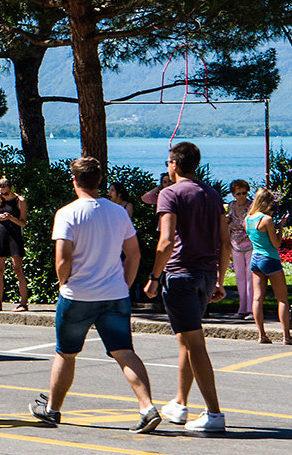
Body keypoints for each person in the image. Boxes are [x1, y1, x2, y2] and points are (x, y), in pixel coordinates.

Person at [30, 156, 161, 434]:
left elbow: (62, 260)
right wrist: (124, 285)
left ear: (74, 180)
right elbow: (133, 254)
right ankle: (147, 406)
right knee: (123, 351)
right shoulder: (118, 212)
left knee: (66, 353)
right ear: (100, 180)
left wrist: (63, 281)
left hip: (78, 293)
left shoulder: (67, 213)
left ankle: (52, 409)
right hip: (113, 292)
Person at [141, 141, 228, 433]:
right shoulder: (213, 195)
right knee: (186, 341)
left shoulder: (170, 194)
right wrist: (219, 279)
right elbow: (225, 241)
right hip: (204, 275)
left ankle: (214, 414)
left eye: (168, 162)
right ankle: (179, 403)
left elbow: (165, 242)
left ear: (174, 164)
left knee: (195, 343)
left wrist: (154, 277)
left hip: (180, 276)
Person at [244, 188, 292, 345]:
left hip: (255, 259)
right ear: (266, 202)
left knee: (257, 298)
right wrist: (281, 226)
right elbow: (276, 243)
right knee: (282, 299)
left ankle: (261, 334)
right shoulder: (266, 219)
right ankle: (286, 336)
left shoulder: (247, 219)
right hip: (270, 258)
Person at [0, 177, 30, 313]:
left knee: (18, 268)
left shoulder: (20, 201)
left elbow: (23, 222)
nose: (4, 196)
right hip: (1, 233)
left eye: (6, 193)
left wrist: (11, 218)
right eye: (1, 193)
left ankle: (23, 303)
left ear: (11, 189)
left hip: (15, 234)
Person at [226, 180, 255, 319]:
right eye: (239, 193)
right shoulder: (231, 206)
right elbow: (228, 221)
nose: (242, 196)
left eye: (244, 193)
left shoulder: (252, 206)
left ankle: (251, 309)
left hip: (250, 244)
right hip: (235, 245)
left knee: (250, 276)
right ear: (233, 194)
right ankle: (242, 308)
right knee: (240, 277)